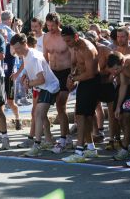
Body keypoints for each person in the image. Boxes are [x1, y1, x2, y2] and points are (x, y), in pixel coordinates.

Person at [10, 33, 60, 157]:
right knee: (41, 116)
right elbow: (27, 68)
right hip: (43, 87)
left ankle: (36, 145)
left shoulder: (34, 57)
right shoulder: (26, 54)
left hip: (50, 87)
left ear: (24, 44)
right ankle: (48, 141)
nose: (16, 51)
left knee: (38, 114)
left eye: (17, 48)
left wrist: (29, 84)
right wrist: (23, 77)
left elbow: (41, 79)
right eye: (14, 49)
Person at [61, 25, 100, 163]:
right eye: (65, 41)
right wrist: (72, 75)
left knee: (80, 116)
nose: (67, 44)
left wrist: (74, 79)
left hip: (93, 83)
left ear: (76, 37)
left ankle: (79, 151)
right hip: (84, 82)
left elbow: (90, 73)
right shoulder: (75, 47)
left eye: (69, 41)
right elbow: (75, 64)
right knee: (86, 117)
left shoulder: (87, 49)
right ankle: (91, 148)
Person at [43, 12, 73, 153]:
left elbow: (73, 58)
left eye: (53, 26)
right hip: (52, 73)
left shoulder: (65, 37)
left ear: (58, 24)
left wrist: (72, 76)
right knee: (45, 106)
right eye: (48, 25)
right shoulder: (46, 37)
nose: (50, 28)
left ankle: (63, 138)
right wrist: (45, 75)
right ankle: (62, 137)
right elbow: (45, 58)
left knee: (61, 105)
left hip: (65, 72)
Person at [0, 29, 22, 130]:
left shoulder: (10, 47)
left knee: (11, 102)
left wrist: (18, 72)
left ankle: (18, 118)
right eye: (2, 36)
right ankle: (0, 128)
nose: (4, 38)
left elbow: (24, 57)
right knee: (0, 103)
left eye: (5, 36)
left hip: (9, 79)